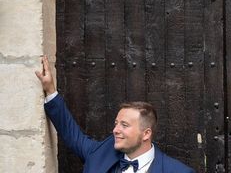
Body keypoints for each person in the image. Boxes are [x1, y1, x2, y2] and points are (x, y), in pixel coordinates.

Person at [35, 55, 195, 173]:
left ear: (146, 133)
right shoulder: (100, 154)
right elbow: (71, 135)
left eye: (124, 125)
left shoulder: (178, 171)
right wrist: (50, 89)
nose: (115, 130)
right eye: (116, 123)